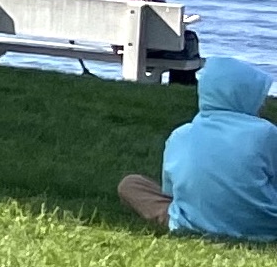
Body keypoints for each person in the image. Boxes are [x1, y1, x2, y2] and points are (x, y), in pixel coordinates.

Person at [117, 55, 277, 239]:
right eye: (258, 96)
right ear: (243, 96)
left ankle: (194, 219)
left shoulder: (180, 135)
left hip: (193, 223)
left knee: (131, 184)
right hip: (265, 229)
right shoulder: (266, 133)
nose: (262, 104)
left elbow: (171, 192)